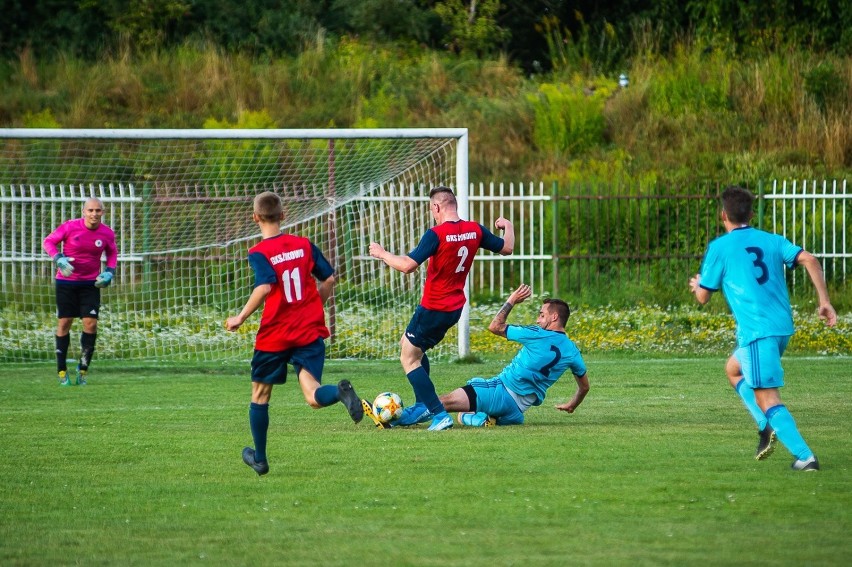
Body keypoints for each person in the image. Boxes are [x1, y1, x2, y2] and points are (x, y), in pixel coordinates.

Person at [689, 185, 836, 471]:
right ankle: (764, 424)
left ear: (723, 215)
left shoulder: (720, 248)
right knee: (733, 369)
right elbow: (810, 259)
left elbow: (704, 297)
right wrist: (825, 301)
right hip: (781, 328)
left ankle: (805, 457)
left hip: (758, 332)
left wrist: (697, 286)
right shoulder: (771, 240)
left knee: (767, 396)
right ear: (751, 213)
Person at [225, 191, 364, 476]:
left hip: (275, 335)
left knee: (260, 395)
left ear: (255, 218)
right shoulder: (303, 245)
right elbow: (329, 278)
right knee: (313, 395)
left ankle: (260, 458)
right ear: (283, 215)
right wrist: (315, 306)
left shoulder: (259, 252)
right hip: (308, 330)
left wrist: (239, 317)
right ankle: (338, 394)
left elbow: (264, 287)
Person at [368, 185, 514, 431]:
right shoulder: (474, 229)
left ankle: (438, 414)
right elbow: (507, 248)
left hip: (433, 307)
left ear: (436, 207)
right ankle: (421, 406)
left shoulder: (436, 234)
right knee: (411, 345)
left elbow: (407, 265)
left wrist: (382, 254)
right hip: (454, 307)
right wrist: (507, 225)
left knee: (408, 358)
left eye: (432, 210)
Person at [437, 284, 589, 427]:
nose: (538, 320)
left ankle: (413, 415)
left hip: (500, 393)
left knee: (442, 402)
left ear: (554, 317)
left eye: (542, 315)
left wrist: (512, 300)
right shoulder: (572, 351)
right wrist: (572, 405)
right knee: (465, 411)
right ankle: (484, 420)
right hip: (516, 411)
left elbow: (495, 326)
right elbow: (584, 387)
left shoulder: (537, 334)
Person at [43, 197, 117, 386]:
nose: (94, 214)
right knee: (64, 322)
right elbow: (48, 242)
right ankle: (61, 371)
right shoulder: (69, 227)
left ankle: (82, 370)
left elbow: (112, 253)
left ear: (103, 212)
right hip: (66, 282)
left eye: (98, 211)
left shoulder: (107, 233)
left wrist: (109, 272)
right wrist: (59, 258)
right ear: (84, 211)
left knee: (91, 324)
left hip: (90, 284)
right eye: (90, 210)